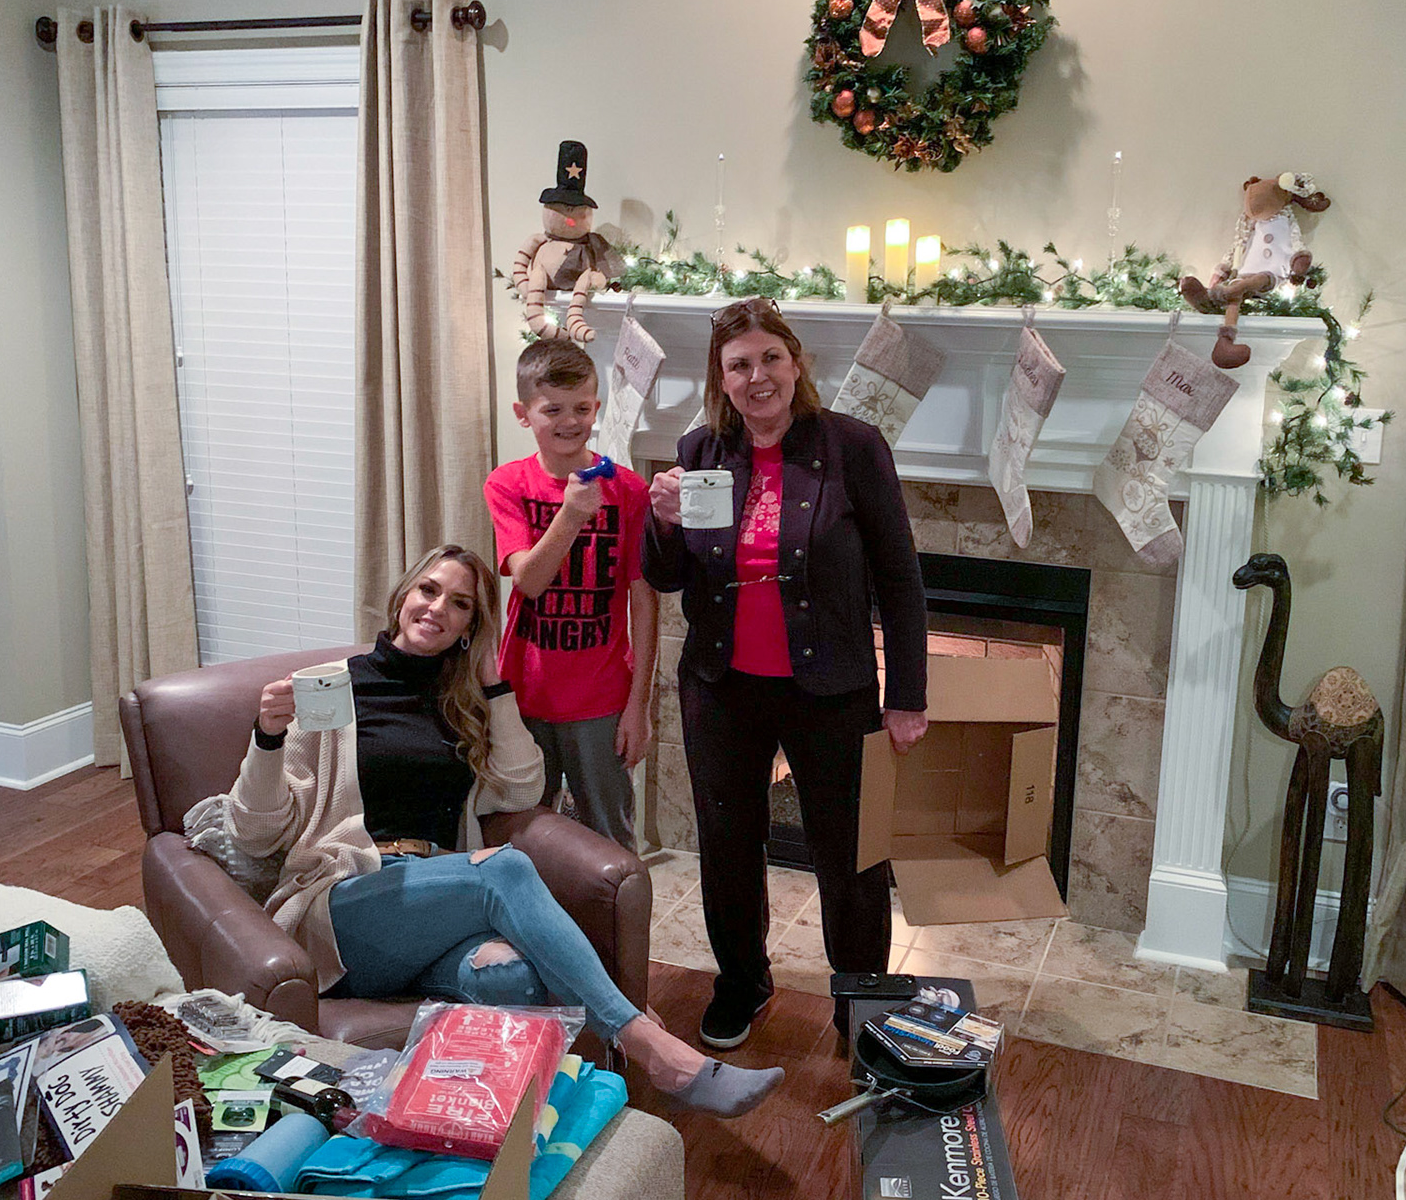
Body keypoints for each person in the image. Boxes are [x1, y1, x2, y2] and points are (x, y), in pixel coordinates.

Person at [224, 544, 782, 1117]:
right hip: (349, 903)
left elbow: (520, 789)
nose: (437, 608)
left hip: (435, 905)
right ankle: (648, 1043)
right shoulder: (330, 691)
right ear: (403, 596)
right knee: (504, 867)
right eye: (428, 590)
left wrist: (494, 686)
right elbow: (253, 833)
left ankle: (488, 1132)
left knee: (509, 979)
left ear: (471, 626)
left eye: (460, 603)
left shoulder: (461, 700)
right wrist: (267, 737)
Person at [642, 299, 929, 1051]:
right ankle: (743, 982)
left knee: (850, 856)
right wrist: (661, 520)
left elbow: (899, 577)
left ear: (795, 364)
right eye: (739, 365)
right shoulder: (701, 450)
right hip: (721, 684)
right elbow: (669, 577)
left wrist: (907, 695)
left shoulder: (852, 446)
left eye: (770, 357)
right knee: (727, 844)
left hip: (830, 687)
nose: (757, 376)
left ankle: (861, 1003)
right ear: (722, 379)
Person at [483, 338, 655, 849]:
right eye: (552, 410)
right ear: (523, 414)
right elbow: (529, 581)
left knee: (610, 838)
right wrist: (573, 513)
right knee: (523, 834)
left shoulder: (629, 490)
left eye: (581, 408)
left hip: (602, 700)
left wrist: (639, 705)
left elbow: (645, 601)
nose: (569, 421)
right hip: (524, 695)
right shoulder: (507, 484)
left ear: (596, 408)